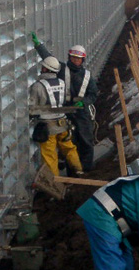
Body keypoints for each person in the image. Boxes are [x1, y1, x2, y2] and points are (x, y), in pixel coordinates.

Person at [30, 32, 98, 171]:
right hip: (64, 110)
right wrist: (38, 45)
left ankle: (86, 171)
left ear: (82, 61)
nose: (75, 61)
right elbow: (49, 59)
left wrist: (83, 102)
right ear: (69, 57)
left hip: (80, 111)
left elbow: (93, 94)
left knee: (86, 140)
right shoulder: (62, 69)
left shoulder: (87, 76)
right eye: (73, 58)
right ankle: (73, 171)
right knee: (69, 142)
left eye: (78, 59)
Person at [29, 56, 84, 177]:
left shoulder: (37, 86)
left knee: (50, 156)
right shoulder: (62, 83)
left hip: (47, 127)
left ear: (45, 69)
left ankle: (55, 184)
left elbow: (32, 108)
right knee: (69, 148)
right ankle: (79, 171)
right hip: (63, 123)